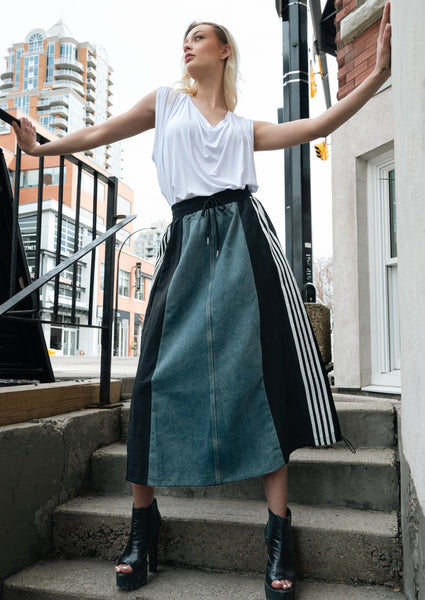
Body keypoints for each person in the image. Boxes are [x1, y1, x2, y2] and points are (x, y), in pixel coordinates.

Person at [12, 4, 391, 598]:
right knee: (153, 380)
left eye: (200, 36)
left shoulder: (244, 129)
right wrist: (41, 149)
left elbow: (320, 125)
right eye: (184, 38)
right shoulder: (166, 102)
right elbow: (102, 131)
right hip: (186, 241)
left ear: (224, 50)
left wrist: (377, 74)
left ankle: (279, 534)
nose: (187, 45)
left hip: (245, 244)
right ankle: (143, 526)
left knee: (261, 380)